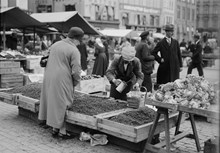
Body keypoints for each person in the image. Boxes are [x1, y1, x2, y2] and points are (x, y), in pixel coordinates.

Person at [38, 27, 84, 139]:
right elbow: (76, 70)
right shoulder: (74, 50)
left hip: (49, 76)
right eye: (79, 41)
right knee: (63, 104)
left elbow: (46, 59)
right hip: (62, 79)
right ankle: (62, 132)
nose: (79, 44)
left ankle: (54, 129)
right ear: (76, 39)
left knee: (53, 102)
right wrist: (76, 82)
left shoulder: (55, 45)